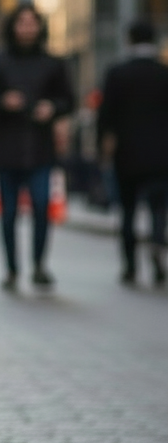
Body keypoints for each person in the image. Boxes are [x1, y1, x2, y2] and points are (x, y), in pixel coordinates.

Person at [0, 2, 75, 291]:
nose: (27, 28)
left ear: (40, 27)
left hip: (40, 150)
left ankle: (39, 265)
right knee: (8, 214)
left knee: (42, 207)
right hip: (7, 150)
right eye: (22, 22)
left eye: (32, 22)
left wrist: (52, 108)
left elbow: (69, 100)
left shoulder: (53, 63)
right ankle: (11, 269)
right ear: (13, 26)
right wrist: (3, 102)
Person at [97, 19, 168, 287]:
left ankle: (130, 266)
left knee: (127, 210)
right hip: (161, 154)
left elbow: (105, 115)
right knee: (159, 207)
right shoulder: (164, 73)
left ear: (129, 40)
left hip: (127, 153)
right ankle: (157, 241)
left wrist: (102, 146)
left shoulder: (118, 73)